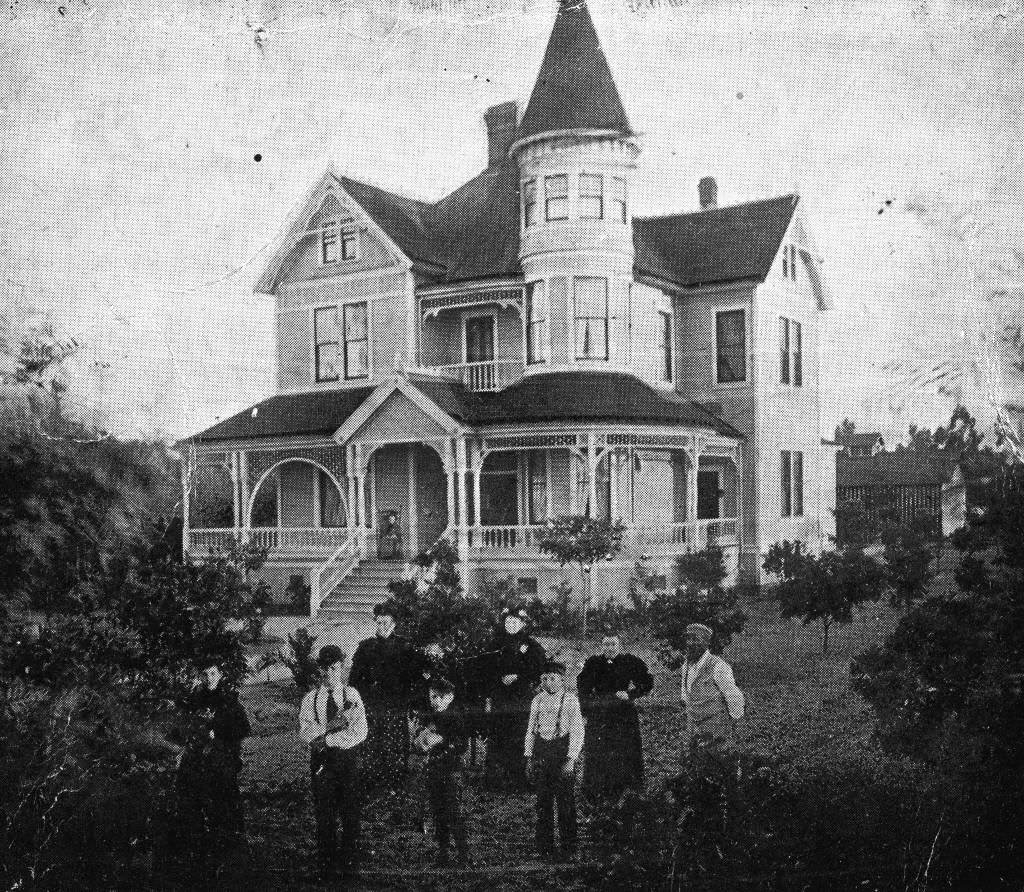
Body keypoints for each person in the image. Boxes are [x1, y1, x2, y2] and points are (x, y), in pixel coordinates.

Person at [298, 645, 368, 882]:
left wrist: (327, 738)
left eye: (335, 669)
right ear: (319, 670)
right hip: (322, 765)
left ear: (342, 668)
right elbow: (306, 732)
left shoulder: (351, 695)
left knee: (350, 815)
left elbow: (359, 731)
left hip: (347, 762)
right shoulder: (311, 699)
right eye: (325, 669)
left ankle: (350, 867)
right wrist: (325, 733)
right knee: (324, 816)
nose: (330, 674)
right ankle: (326, 867)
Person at [348, 600, 415, 800]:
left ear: (394, 624)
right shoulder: (366, 647)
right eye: (379, 622)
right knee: (371, 744)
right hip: (371, 705)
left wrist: (405, 700)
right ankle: (371, 783)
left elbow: (411, 679)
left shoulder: (404, 647)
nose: (382, 626)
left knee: (394, 745)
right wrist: (359, 701)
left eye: (386, 622)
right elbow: (354, 680)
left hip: (395, 706)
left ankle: (394, 783)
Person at [576, 632, 654, 802]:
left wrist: (631, 694)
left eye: (613, 644)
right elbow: (582, 688)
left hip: (623, 714)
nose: (609, 648)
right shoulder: (593, 663)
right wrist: (586, 710)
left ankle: (626, 787)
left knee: (624, 748)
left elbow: (647, 682)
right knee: (598, 749)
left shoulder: (629, 661)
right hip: (600, 713)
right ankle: (597, 789)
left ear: (619, 645)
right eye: (606, 644)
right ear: (601, 646)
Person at [524, 660, 585, 863]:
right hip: (542, 753)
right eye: (545, 679)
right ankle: (545, 846)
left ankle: (569, 846)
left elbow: (577, 731)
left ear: (562, 680)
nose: (548, 683)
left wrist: (571, 759)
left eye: (553, 678)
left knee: (565, 802)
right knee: (543, 801)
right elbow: (531, 730)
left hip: (561, 754)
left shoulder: (570, 700)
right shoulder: (538, 700)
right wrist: (529, 756)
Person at [486, 608, 545, 791]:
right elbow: (485, 667)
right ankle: (494, 779)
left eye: (514, 622)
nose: (510, 625)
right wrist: (499, 678)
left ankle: (518, 778)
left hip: (520, 697)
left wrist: (519, 676)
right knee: (498, 734)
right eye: (508, 622)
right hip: (500, 696)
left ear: (522, 624)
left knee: (518, 735)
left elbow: (538, 668)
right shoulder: (495, 643)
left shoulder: (531, 645)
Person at [414, 676, 471, 867]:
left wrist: (442, 741)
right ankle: (443, 853)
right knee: (438, 812)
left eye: (440, 697)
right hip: (434, 771)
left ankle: (463, 854)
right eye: (432, 696)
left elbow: (462, 744)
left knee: (454, 813)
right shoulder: (430, 717)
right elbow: (421, 743)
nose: (435, 701)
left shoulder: (455, 717)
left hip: (452, 771)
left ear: (450, 697)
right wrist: (423, 740)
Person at [680, 623, 745, 754]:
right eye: (688, 639)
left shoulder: (718, 666)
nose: (690, 643)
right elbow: (685, 694)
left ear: (706, 643)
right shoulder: (686, 666)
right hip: (694, 731)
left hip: (716, 731)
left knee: (717, 761)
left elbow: (734, 696)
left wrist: (731, 723)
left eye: (695, 639)